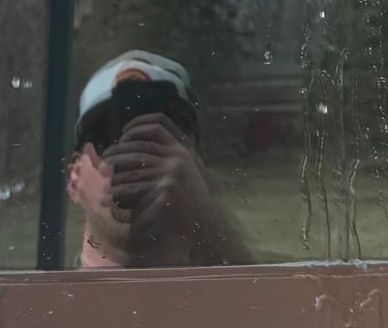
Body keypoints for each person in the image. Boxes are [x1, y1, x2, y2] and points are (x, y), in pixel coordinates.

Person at [66, 51, 253, 269]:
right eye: (107, 136)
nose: (135, 152)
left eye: (167, 133)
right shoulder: (39, 299)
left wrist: (207, 220)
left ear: (195, 169)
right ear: (74, 177)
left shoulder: (41, 296)